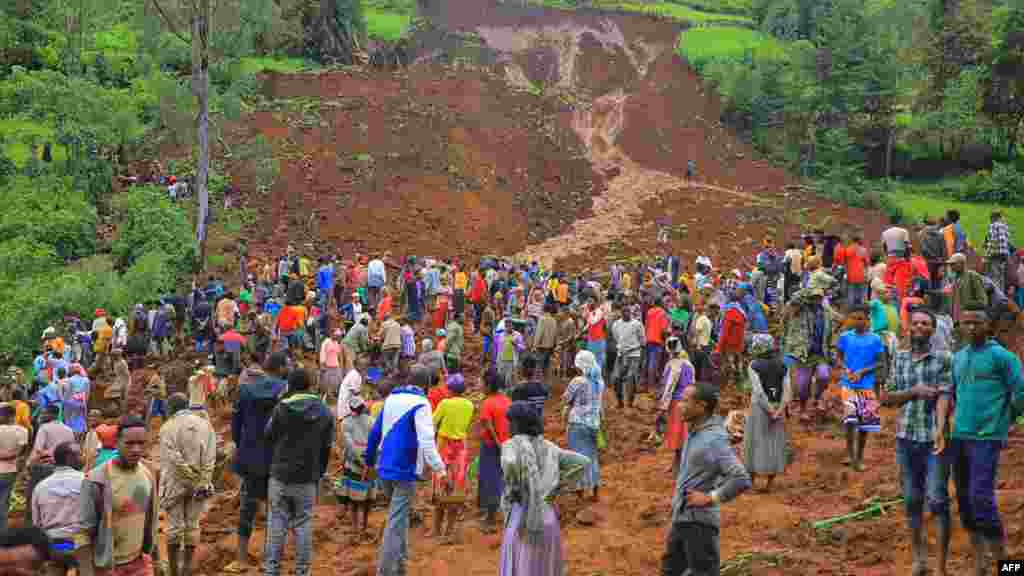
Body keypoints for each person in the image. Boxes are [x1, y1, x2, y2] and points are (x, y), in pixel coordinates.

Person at [935, 306, 1023, 573]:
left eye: (977, 323)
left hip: (987, 437)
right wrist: (943, 427)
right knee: (964, 499)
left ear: (988, 326)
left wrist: (1006, 421)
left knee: (981, 497)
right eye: (966, 323)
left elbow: (1020, 392)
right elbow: (951, 393)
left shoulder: (1002, 357)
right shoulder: (959, 358)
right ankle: (980, 561)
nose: (971, 328)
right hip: (960, 435)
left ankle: (1007, 564)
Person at [881, 309, 952, 576]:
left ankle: (941, 566)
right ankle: (919, 558)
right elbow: (886, 396)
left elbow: (946, 393)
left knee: (937, 499)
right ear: (908, 328)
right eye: (916, 323)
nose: (920, 327)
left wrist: (941, 428)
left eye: (925, 324)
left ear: (933, 330)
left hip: (935, 439)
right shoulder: (899, 358)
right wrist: (914, 392)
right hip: (906, 437)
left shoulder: (944, 358)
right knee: (911, 499)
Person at [661, 383, 751, 576]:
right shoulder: (696, 432)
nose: (679, 405)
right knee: (670, 570)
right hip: (682, 518)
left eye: (685, 401)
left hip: (699, 525)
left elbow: (741, 478)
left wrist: (710, 498)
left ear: (701, 406)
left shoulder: (713, 439)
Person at [365, 364, 447, 576]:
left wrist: (368, 463)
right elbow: (427, 441)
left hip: (384, 469)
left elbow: (374, 433)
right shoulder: (422, 404)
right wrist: (440, 470)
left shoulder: (391, 399)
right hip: (404, 471)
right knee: (395, 522)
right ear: (427, 386)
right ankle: (385, 571)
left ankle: (400, 567)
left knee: (399, 520)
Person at [499, 402, 589, 576]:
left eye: (510, 422)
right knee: (544, 568)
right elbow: (583, 462)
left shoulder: (512, 445)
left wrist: (515, 483)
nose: (508, 426)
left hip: (523, 519)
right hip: (547, 517)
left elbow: (509, 464)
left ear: (518, 424)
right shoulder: (550, 447)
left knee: (522, 567)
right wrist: (557, 485)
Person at [263, 368, 334, 576]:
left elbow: (268, 435)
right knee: (303, 524)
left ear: (290, 386)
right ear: (310, 385)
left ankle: (271, 570)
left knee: (277, 522)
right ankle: (303, 571)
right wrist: (318, 472)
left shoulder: (281, 408)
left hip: (280, 476)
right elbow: (327, 447)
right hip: (307, 478)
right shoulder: (323, 411)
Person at [77, 416, 160, 576]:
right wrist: (87, 572)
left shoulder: (149, 473)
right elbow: (83, 533)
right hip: (108, 568)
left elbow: (148, 519)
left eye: (141, 443)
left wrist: (154, 558)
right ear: (117, 442)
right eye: (129, 444)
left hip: (139, 563)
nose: (136, 449)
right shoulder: (96, 480)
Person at [227, 351, 287, 574]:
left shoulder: (245, 389)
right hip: (277, 458)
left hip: (251, 456)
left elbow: (236, 426)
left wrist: (243, 445)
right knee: (276, 509)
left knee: (248, 507)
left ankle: (241, 558)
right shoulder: (285, 389)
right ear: (280, 368)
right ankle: (269, 560)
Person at [159, 393, 216, 576]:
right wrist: (202, 480)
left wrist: (189, 477)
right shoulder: (205, 425)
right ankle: (187, 570)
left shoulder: (168, 427)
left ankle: (174, 571)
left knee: (174, 527)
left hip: (175, 483)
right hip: (199, 484)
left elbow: (173, 458)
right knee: (192, 525)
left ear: (170, 408)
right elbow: (210, 457)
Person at [836, 304, 887, 471]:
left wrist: (863, 371)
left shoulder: (875, 339)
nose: (857, 322)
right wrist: (846, 369)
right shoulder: (845, 337)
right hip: (848, 384)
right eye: (854, 318)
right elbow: (839, 358)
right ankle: (850, 454)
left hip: (867, 385)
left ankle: (859, 455)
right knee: (850, 421)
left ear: (868, 319)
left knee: (865, 424)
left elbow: (880, 362)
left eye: (860, 318)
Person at [743, 334, 790, 493]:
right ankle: (770, 484)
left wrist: (769, 410)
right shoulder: (783, 365)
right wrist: (779, 410)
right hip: (778, 408)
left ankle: (752, 483)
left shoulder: (754, 365)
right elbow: (787, 390)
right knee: (774, 443)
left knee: (754, 442)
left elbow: (758, 391)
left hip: (760, 408)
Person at [431, 374, 474, 543]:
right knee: (455, 491)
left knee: (440, 488)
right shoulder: (470, 405)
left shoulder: (445, 404)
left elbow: (433, 423)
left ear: (450, 389)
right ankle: (449, 530)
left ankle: (436, 529)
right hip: (461, 449)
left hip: (444, 447)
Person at [32, 441, 83, 575]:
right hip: (80, 545)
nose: (83, 457)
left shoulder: (40, 487)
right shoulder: (87, 481)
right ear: (70, 458)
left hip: (52, 547)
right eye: (79, 454)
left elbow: (36, 524)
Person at [562, 350, 604, 503]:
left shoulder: (578, 381)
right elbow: (600, 406)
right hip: (594, 424)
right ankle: (595, 491)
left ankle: (579, 494)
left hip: (577, 423)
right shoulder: (599, 382)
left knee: (577, 458)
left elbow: (566, 398)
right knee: (592, 457)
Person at [27, 405, 74, 526]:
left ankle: (35, 526)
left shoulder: (44, 428)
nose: (42, 416)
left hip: (46, 467)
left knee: (34, 497)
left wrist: (29, 464)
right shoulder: (68, 429)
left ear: (51, 414)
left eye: (44, 413)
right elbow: (71, 449)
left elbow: (38, 450)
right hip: (64, 468)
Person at [339, 396, 377, 538]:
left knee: (353, 498)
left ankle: (356, 527)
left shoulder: (346, 423)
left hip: (354, 464)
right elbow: (377, 442)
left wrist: (359, 460)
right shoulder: (372, 421)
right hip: (369, 462)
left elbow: (349, 445)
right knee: (367, 498)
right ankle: (363, 526)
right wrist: (369, 461)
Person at [477, 370, 510, 533]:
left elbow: (488, 427)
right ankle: (499, 512)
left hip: (491, 446)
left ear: (488, 385)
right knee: (501, 478)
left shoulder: (487, 403)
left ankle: (490, 518)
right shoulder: (506, 400)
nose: (479, 384)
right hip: (506, 444)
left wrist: (498, 444)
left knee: (490, 479)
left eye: (481, 382)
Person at [657, 337, 695, 478]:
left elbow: (668, 388)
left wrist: (662, 408)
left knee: (677, 434)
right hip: (689, 402)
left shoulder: (672, 365)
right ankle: (677, 463)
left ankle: (678, 465)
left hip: (676, 403)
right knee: (683, 433)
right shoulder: (688, 364)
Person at [0, 404, 29, 531]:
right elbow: (23, 452)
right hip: (11, 469)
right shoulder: (23, 431)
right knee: (5, 501)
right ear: (14, 415)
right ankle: (3, 530)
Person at [611, 305, 644, 409]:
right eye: (624, 312)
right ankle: (620, 402)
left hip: (634, 355)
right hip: (621, 354)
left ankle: (630, 402)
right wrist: (622, 348)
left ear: (631, 313)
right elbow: (616, 337)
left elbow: (642, 340)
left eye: (628, 312)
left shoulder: (637, 324)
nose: (626, 314)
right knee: (616, 378)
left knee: (631, 377)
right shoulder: (616, 324)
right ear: (621, 314)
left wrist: (634, 349)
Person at [508, 355, 549, 420]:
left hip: (523, 427)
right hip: (538, 426)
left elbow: (513, 413)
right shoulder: (543, 388)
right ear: (535, 370)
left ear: (522, 369)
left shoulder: (518, 389)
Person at [644, 298, 670, 391]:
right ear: (661, 303)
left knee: (647, 362)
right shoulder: (663, 313)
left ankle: (645, 383)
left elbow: (646, 325)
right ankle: (651, 386)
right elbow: (664, 330)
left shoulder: (649, 311)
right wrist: (666, 339)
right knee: (653, 363)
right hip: (657, 340)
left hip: (648, 339)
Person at [983, 210, 1012, 293]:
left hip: (995, 253)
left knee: (994, 275)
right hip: (1004, 254)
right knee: (1001, 275)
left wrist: (987, 255)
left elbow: (993, 241)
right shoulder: (1005, 226)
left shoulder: (993, 226)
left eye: (991, 218)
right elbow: (1007, 241)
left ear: (993, 218)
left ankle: (996, 296)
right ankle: (1002, 294)